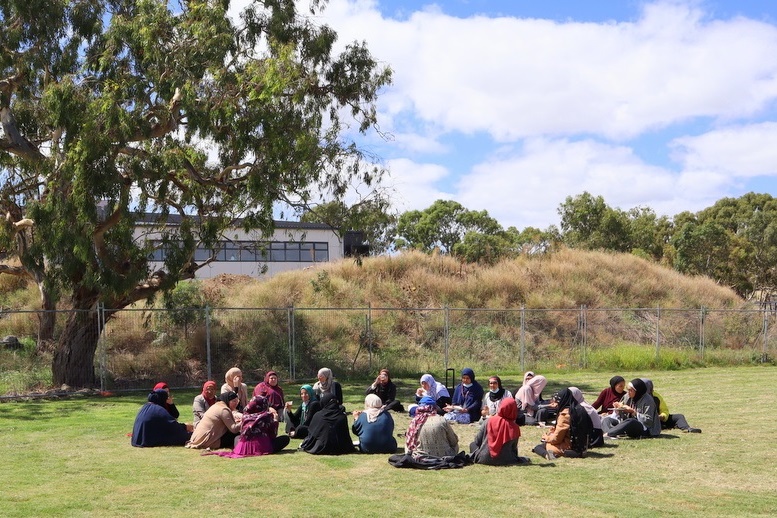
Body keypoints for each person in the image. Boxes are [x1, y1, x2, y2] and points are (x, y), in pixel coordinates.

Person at [217, 395, 290, 457]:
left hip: (242, 448)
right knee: (285, 439)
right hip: (260, 447)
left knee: (238, 438)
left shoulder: (245, 416)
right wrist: (275, 421)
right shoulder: (266, 416)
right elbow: (273, 435)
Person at [532, 389, 594, 460]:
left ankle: (548, 455)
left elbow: (556, 439)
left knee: (539, 447)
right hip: (582, 446)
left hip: (570, 447)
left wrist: (547, 438)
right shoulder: (579, 409)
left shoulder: (565, 415)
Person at [469, 397, 526, 465]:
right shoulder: (515, 427)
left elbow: (477, 441)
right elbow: (513, 448)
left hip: (483, 459)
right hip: (506, 460)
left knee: (472, 445)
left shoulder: (488, 421)